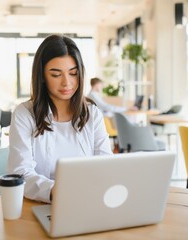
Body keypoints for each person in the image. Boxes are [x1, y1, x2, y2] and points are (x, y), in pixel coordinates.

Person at [8, 35, 113, 203]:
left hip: (88, 202)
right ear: (42, 76)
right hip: (40, 205)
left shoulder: (92, 113)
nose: (67, 83)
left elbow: (105, 165)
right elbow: (21, 172)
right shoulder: (25, 114)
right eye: (56, 75)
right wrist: (56, 191)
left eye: (73, 73)